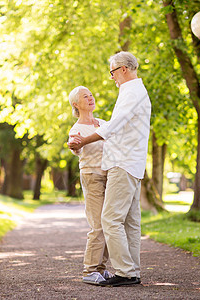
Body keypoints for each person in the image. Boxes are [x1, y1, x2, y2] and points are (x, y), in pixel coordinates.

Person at [68, 51, 151, 287]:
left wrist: (84, 141)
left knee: (110, 219)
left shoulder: (131, 91)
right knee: (130, 222)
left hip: (123, 163)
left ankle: (125, 272)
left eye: (112, 72)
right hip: (131, 164)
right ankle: (131, 270)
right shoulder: (133, 91)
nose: (112, 77)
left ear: (122, 69)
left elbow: (113, 127)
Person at [67, 86, 113, 285]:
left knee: (110, 224)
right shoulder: (77, 129)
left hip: (110, 177)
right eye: (85, 96)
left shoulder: (103, 123)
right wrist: (74, 144)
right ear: (76, 104)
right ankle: (90, 270)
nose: (90, 98)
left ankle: (100, 269)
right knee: (97, 225)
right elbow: (74, 144)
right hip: (92, 176)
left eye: (91, 95)